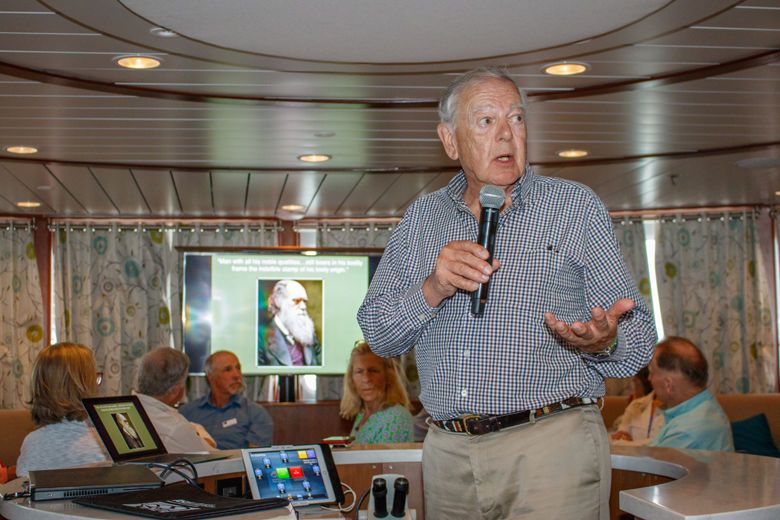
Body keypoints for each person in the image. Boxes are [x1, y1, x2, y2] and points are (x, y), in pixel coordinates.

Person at [357, 67, 657, 519]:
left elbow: (637, 336)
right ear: (450, 140)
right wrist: (433, 288)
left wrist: (603, 342)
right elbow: (378, 333)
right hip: (448, 455)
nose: (506, 134)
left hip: (551, 448)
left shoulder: (573, 207)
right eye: (486, 121)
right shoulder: (421, 219)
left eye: (516, 119)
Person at [16, 342, 109, 476]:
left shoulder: (31, 443)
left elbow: (23, 485)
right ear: (84, 388)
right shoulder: (104, 443)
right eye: (94, 379)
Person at [647, 337, 734, 451]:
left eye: (652, 372)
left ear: (668, 384)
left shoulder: (686, 431)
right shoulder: (702, 408)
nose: (649, 378)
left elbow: (651, 461)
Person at [179, 350, 273, 449]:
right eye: (228, 370)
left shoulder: (255, 413)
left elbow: (255, 456)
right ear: (210, 376)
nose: (237, 375)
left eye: (238, 368)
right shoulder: (187, 413)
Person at [135, 347, 216, 452]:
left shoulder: (126, 411)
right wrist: (204, 438)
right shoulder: (176, 428)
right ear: (175, 391)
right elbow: (214, 457)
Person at [339, 341, 413, 444]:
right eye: (359, 371)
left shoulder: (396, 416)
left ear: (388, 376)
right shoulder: (363, 413)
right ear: (351, 379)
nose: (366, 379)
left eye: (373, 371)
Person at [259, 279, 321, 366]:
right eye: (296, 301)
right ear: (278, 302)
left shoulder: (309, 334)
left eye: (304, 301)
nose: (303, 307)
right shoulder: (261, 339)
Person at [609, 367, 664, 445]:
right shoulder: (635, 405)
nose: (650, 378)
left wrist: (631, 443)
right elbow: (619, 438)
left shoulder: (677, 409)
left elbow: (661, 443)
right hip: (627, 452)